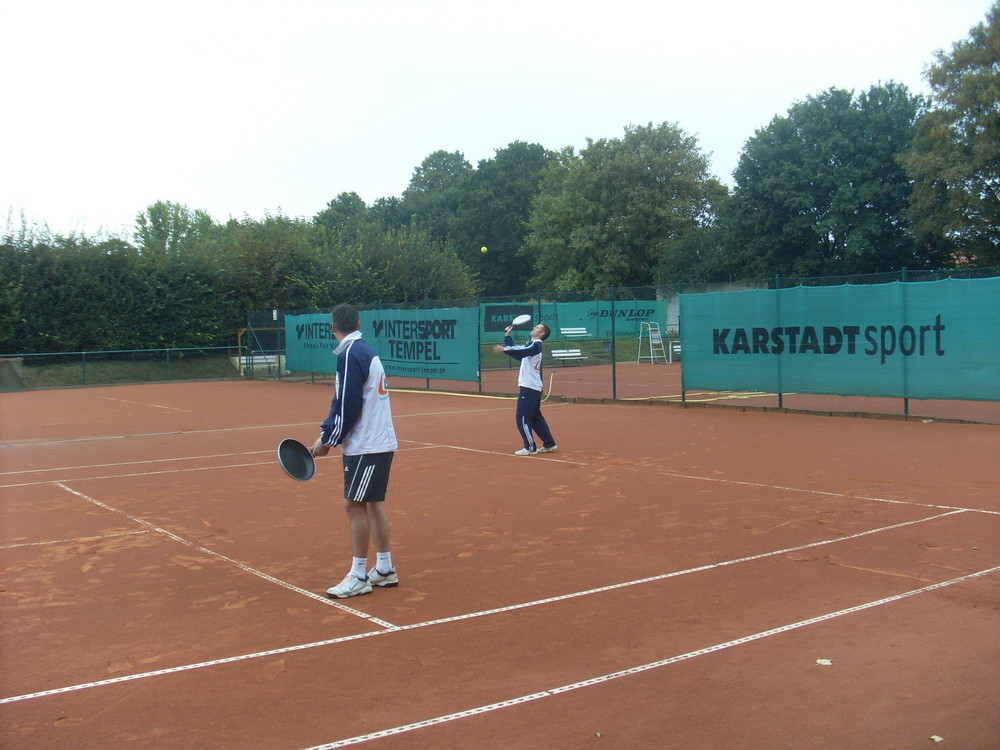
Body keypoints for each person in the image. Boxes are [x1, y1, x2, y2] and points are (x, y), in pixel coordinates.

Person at [310, 303, 399, 599]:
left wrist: (328, 439)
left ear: (332, 328)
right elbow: (344, 401)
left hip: (367, 445)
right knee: (371, 503)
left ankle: (359, 576)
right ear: (358, 323)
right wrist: (329, 432)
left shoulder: (350, 354)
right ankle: (384, 569)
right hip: (375, 442)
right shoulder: (364, 351)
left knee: (354, 505)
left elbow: (349, 404)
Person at [492, 322, 558, 456]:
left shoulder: (536, 344)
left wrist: (504, 349)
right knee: (534, 417)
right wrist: (507, 336)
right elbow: (517, 353)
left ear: (541, 334)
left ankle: (529, 447)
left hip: (529, 387)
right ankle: (549, 443)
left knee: (522, 417)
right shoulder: (531, 344)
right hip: (532, 386)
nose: (534, 328)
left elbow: (521, 351)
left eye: (537, 328)